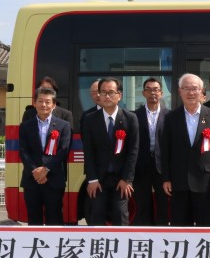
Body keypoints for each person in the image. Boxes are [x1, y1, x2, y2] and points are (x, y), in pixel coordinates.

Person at [162, 73, 210, 226]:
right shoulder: (171, 117)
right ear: (179, 91)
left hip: (204, 180)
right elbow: (165, 150)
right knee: (180, 225)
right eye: (186, 89)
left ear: (202, 91)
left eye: (195, 89)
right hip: (178, 180)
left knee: (205, 224)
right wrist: (166, 178)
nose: (190, 93)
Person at [81, 77, 139, 226]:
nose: (107, 96)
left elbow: (133, 151)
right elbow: (88, 151)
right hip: (99, 179)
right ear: (98, 95)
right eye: (103, 92)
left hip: (121, 179)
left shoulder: (130, 118)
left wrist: (126, 179)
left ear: (119, 95)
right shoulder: (90, 119)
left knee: (121, 215)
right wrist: (92, 179)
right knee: (97, 215)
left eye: (111, 92)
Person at [18, 87, 71, 225]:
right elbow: (23, 150)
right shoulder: (25, 126)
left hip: (54, 179)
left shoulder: (63, 125)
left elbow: (64, 150)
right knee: (33, 218)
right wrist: (36, 171)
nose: (44, 105)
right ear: (34, 103)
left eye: (48, 102)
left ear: (53, 105)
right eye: (40, 101)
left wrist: (45, 169)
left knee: (54, 218)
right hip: (32, 179)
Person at [132, 78, 169, 226]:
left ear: (161, 93)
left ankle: (162, 234)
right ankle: (143, 236)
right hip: (141, 165)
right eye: (149, 89)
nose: (152, 92)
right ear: (143, 93)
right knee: (142, 203)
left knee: (163, 204)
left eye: (156, 89)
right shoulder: (134, 115)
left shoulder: (170, 116)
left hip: (162, 166)